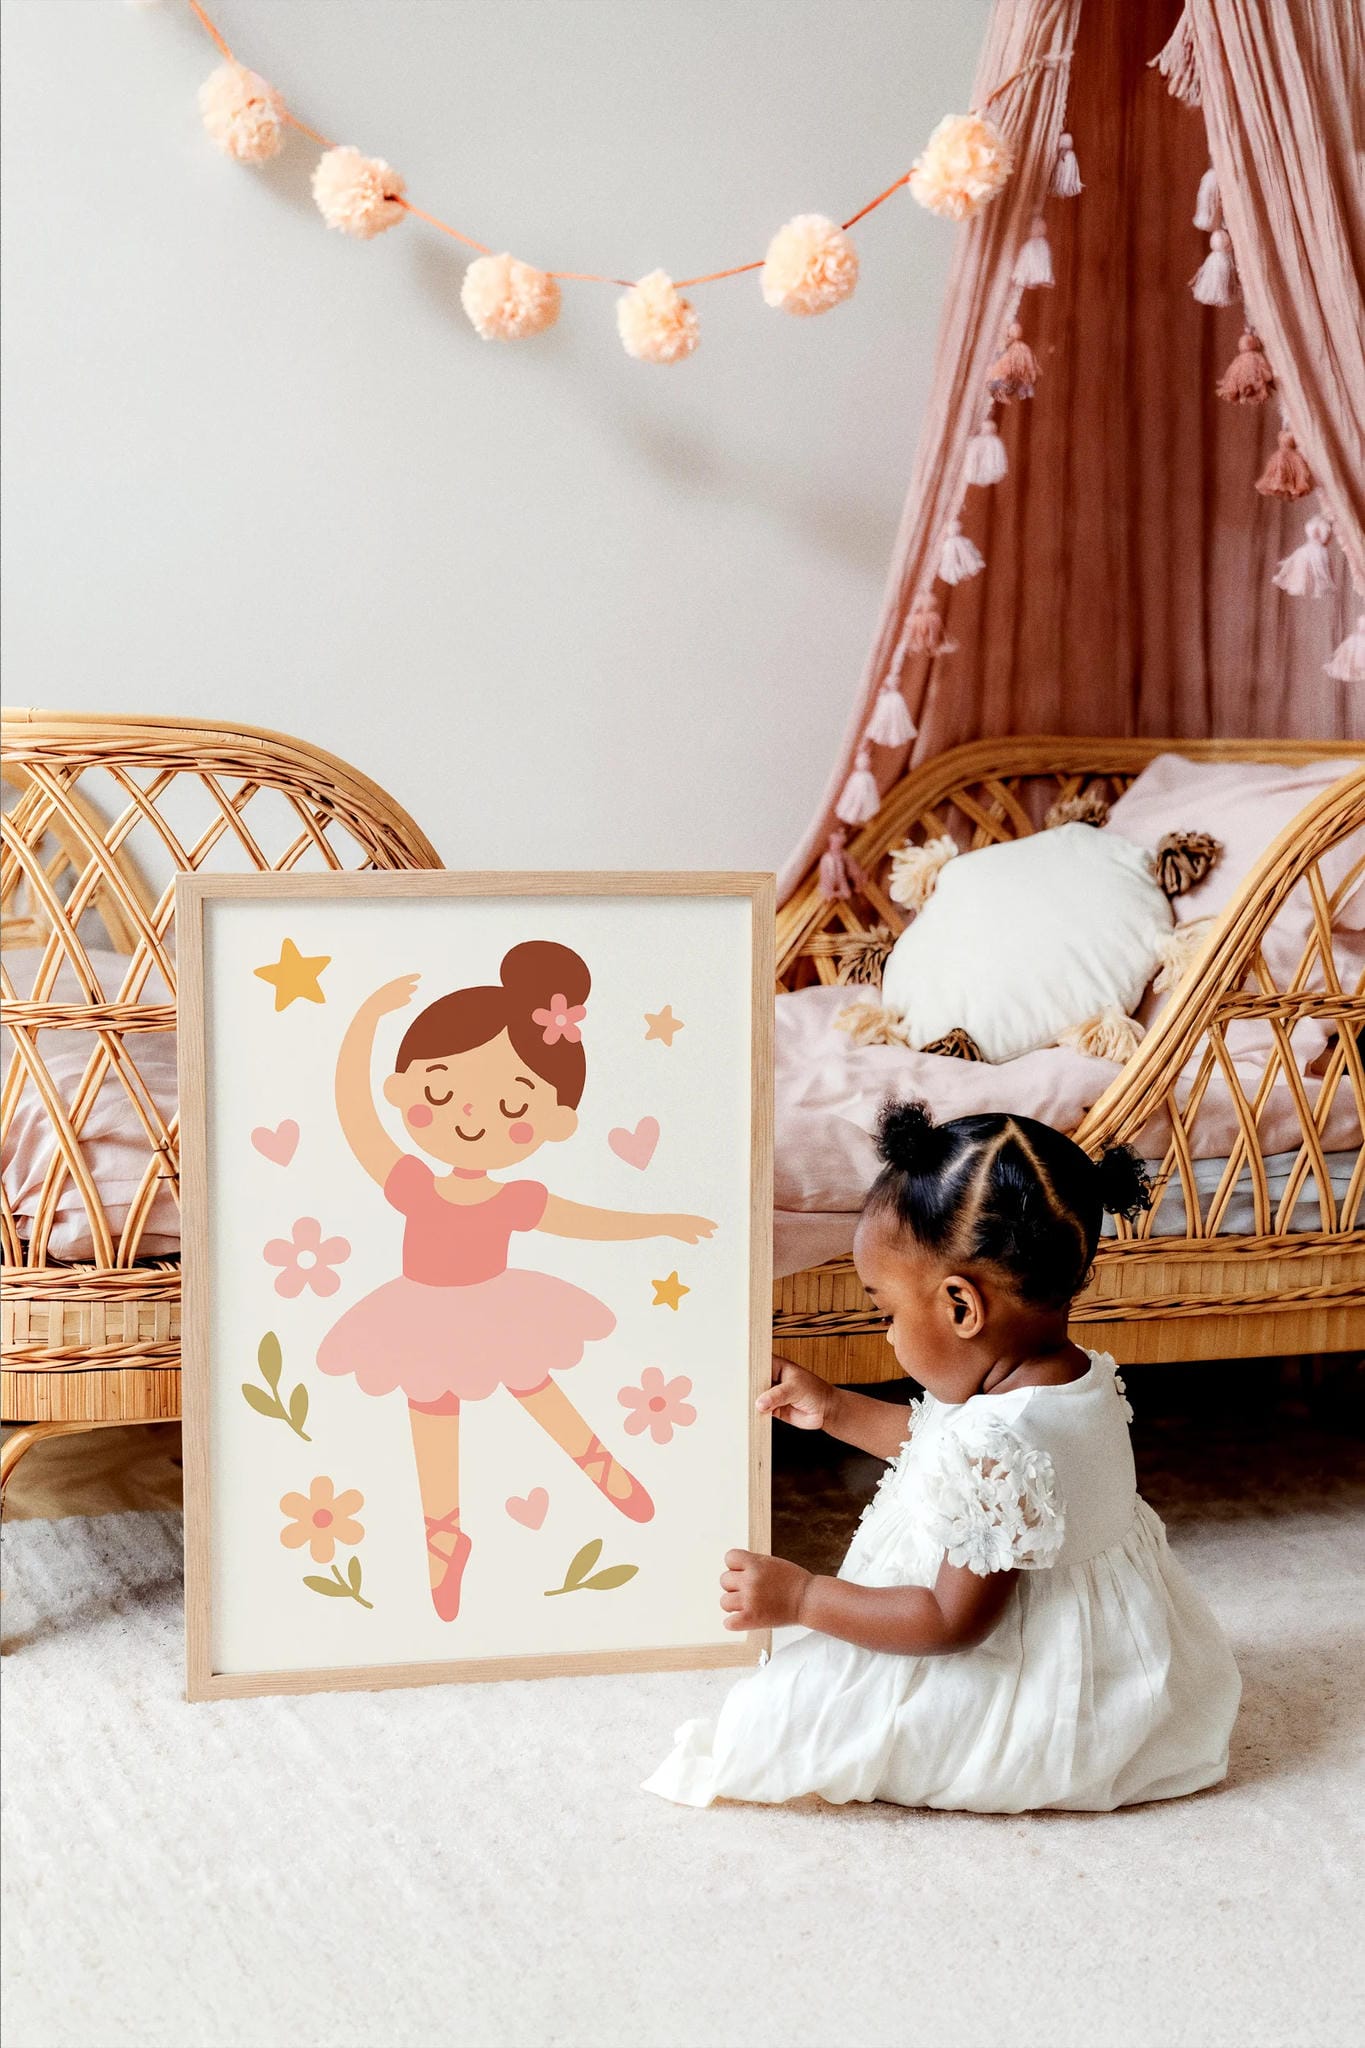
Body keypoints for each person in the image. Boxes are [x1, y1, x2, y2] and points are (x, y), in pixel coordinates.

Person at [645, 1101, 1240, 1811]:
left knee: (774, 1720)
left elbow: (947, 1622)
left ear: (961, 1306)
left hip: (1027, 1685)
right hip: (1122, 1665)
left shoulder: (997, 1445)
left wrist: (803, 1598)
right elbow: (939, 1448)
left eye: (887, 1313)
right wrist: (832, 1407)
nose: (887, 1334)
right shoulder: (1072, 1377)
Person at [318, 940, 714, 1621]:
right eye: (440, 1092)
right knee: (432, 1415)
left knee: (536, 1387)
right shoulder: (414, 1183)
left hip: (497, 1309)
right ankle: (444, 1537)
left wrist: (659, 1223)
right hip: (418, 1316)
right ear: (406, 1087)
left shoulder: (510, 1198)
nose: (470, 1116)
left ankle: (598, 1464)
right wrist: (364, 1024)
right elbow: (356, 1117)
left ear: (549, 1123)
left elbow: (585, 1221)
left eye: (511, 1108)